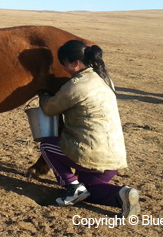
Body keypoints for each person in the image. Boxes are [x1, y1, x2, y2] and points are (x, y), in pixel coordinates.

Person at [37, 40, 140, 218]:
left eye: (65, 64)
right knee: (90, 190)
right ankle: (123, 194)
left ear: (75, 63)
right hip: (113, 158)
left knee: (47, 145)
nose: (64, 69)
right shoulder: (104, 78)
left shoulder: (77, 85)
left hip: (91, 156)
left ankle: (72, 186)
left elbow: (50, 108)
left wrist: (44, 95)